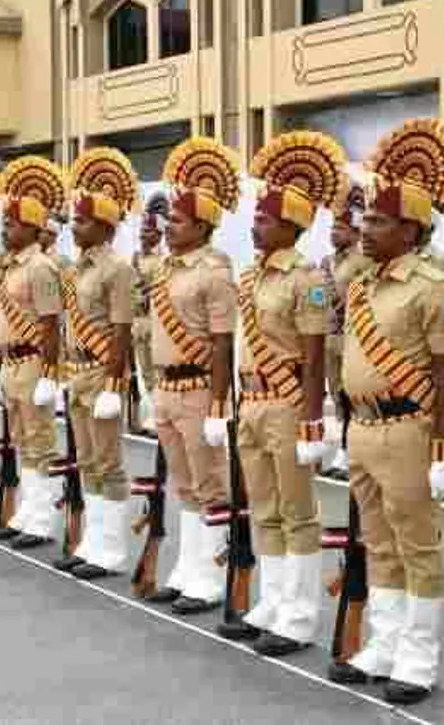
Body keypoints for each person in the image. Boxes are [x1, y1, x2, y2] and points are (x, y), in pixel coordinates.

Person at [327, 118, 444, 706]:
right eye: (366, 218)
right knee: (378, 544)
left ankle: (417, 656)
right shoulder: (362, 286)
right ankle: (384, 644)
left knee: (418, 545)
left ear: (412, 229)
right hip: (364, 426)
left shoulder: (436, 290)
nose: (366, 228)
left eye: (380, 220)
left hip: (411, 429)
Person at [233, 130, 349, 657]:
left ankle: (299, 615)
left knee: (298, 511)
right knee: (263, 508)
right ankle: (274, 601)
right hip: (252, 402)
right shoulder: (251, 275)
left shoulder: (307, 280)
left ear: (292, 226)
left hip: (284, 404)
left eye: (264, 219)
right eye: (256, 217)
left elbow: (313, 358)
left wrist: (310, 423)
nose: (255, 225)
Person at [145, 137, 240, 614]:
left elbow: (223, 344)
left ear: (202, 226)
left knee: (210, 486)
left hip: (200, 389)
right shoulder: (166, 269)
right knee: (184, 486)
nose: (167, 228)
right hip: (167, 387)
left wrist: (220, 408)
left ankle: (213, 578)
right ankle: (188, 571)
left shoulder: (215, 272)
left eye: (177, 222)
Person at [55, 147, 138, 579]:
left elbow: (121, 331)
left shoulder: (118, 269)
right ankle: (93, 540)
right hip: (77, 371)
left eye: (83, 221)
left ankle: (113, 548)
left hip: (101, 372)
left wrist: (114, 384)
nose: (74, 226)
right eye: (73, 219)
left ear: (105, 227)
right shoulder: (76, 269)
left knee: (109, 462)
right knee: (86, 460)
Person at [0, 156, 65, 548]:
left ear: (34, 229)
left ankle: (42, 516)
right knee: (21, 438)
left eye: (14, 224)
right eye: (4, 223)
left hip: (34, 361)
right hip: (11, 361)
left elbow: (52, 324)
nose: (6, 230)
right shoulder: (10, 267)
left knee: (39, 439)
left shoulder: (41, 268)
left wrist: (51, 376)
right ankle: (29, 509)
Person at [319, 186, 372, 477]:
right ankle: (346, 446)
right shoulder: (329, 261)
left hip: (354, 339)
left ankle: (348, 453)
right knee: (337, 395)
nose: (333, 232)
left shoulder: (363, 259)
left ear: (354, 230)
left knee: (353, 396)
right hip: (331, 340)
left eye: (340, 227)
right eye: (332, 226)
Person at [131, 193, 168, 433]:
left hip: (155, 322)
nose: (143, 235)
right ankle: (154, 411)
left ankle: (160, 415)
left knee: (157, 371)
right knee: (145, 372)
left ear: (159, 235)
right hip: (138, 322)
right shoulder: (135, 258)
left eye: (148, 232)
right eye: (142, 231)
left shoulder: (164, 260)